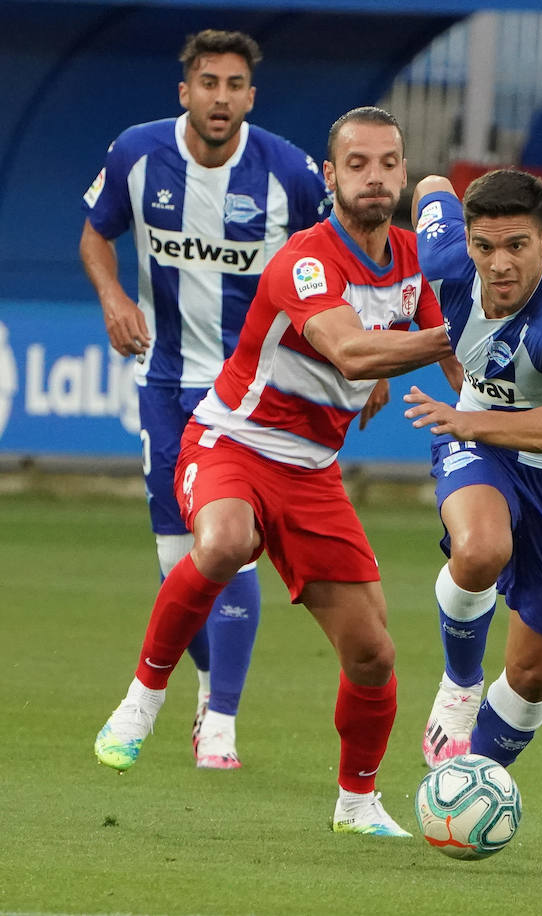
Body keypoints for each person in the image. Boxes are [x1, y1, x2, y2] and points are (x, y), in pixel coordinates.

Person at [94, 106, 457, 837]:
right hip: (232, 441)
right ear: (330, 177)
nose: (375, 177)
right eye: (357, 164)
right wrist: (452, 335)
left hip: (314, 474)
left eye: (389, 163)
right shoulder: (305, 257)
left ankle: (356, 802)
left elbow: (451, 356)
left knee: (374, 654)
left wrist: (499, 371)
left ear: (403, 173)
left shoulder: (416, 261)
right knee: (225, 542)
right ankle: (144, 697)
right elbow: (355, 353)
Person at [79, 30, 332, 770]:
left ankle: (219, 720)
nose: (221, 97)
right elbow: (96, 236)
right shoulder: (137, 154)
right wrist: (113, 295)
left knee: (232, 547)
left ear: (251, 97)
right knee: (178, 557)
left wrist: (364, 360)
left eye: (234, 84)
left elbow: (338, 264)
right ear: (184, 92)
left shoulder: (289, 172)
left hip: (255, 394)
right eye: (208, 82)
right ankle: (204, 695)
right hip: (164, 383)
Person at [403, 168, 542, 772]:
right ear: (466, 241)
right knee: (479, 549)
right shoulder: (445, 257)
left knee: (533, 673)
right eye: (484, 246)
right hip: (480, 448)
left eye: (516, 245)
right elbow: (431, 185)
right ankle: (459, 686)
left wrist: (472, 422)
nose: (499, 265)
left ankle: (467, 783)